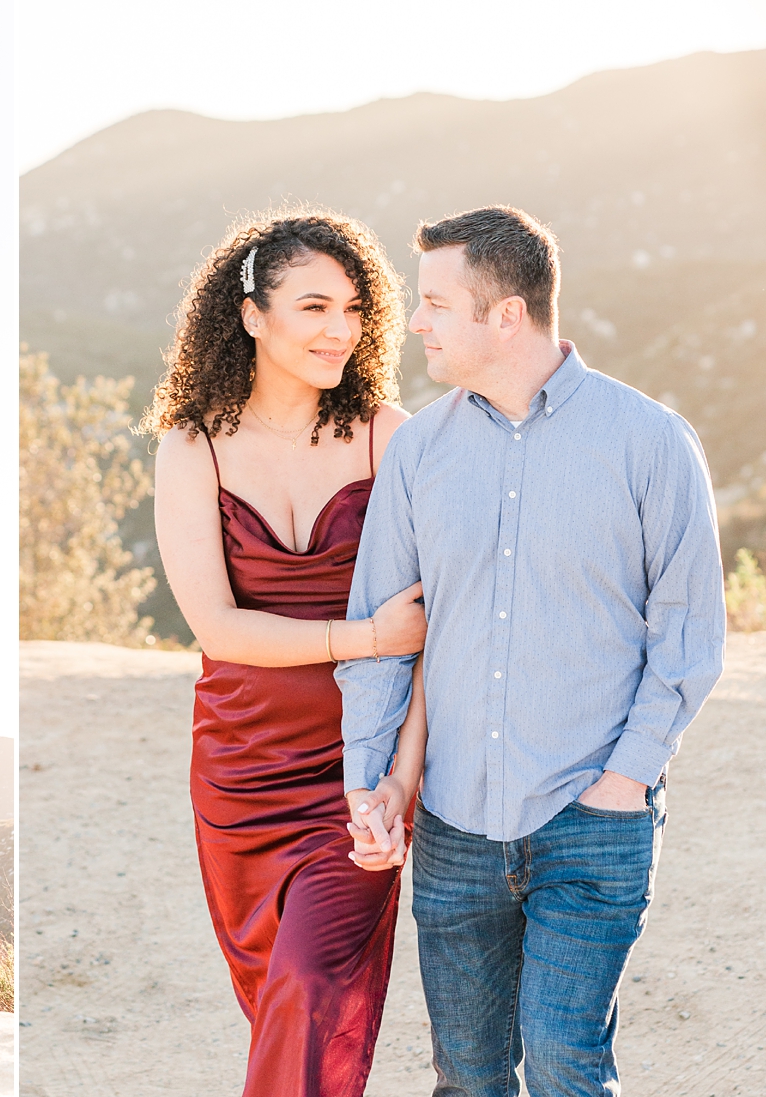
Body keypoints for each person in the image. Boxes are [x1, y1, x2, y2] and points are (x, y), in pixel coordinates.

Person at [338, 205, 726, 1096]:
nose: (416, 322)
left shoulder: (650, 442)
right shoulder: (418, 454)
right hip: (453, 827)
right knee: (469, 1076)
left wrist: (625, 780)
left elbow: (689, 633)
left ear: (505, 314)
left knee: (563, 1065)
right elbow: (381, 638)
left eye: (436, 301)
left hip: (593, 821)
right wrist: (373, 780)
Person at [148, 211, 429, 1097]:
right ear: (251, 316)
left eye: (352, 309)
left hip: (357, 771)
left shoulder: (389, 433)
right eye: (313, 305)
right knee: (284, 1005)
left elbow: (438, 636)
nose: (338, 330)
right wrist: (366, 638)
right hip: (240, 772)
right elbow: (218, 629)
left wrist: (401, 784)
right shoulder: (191, 445)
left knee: (310, 989)